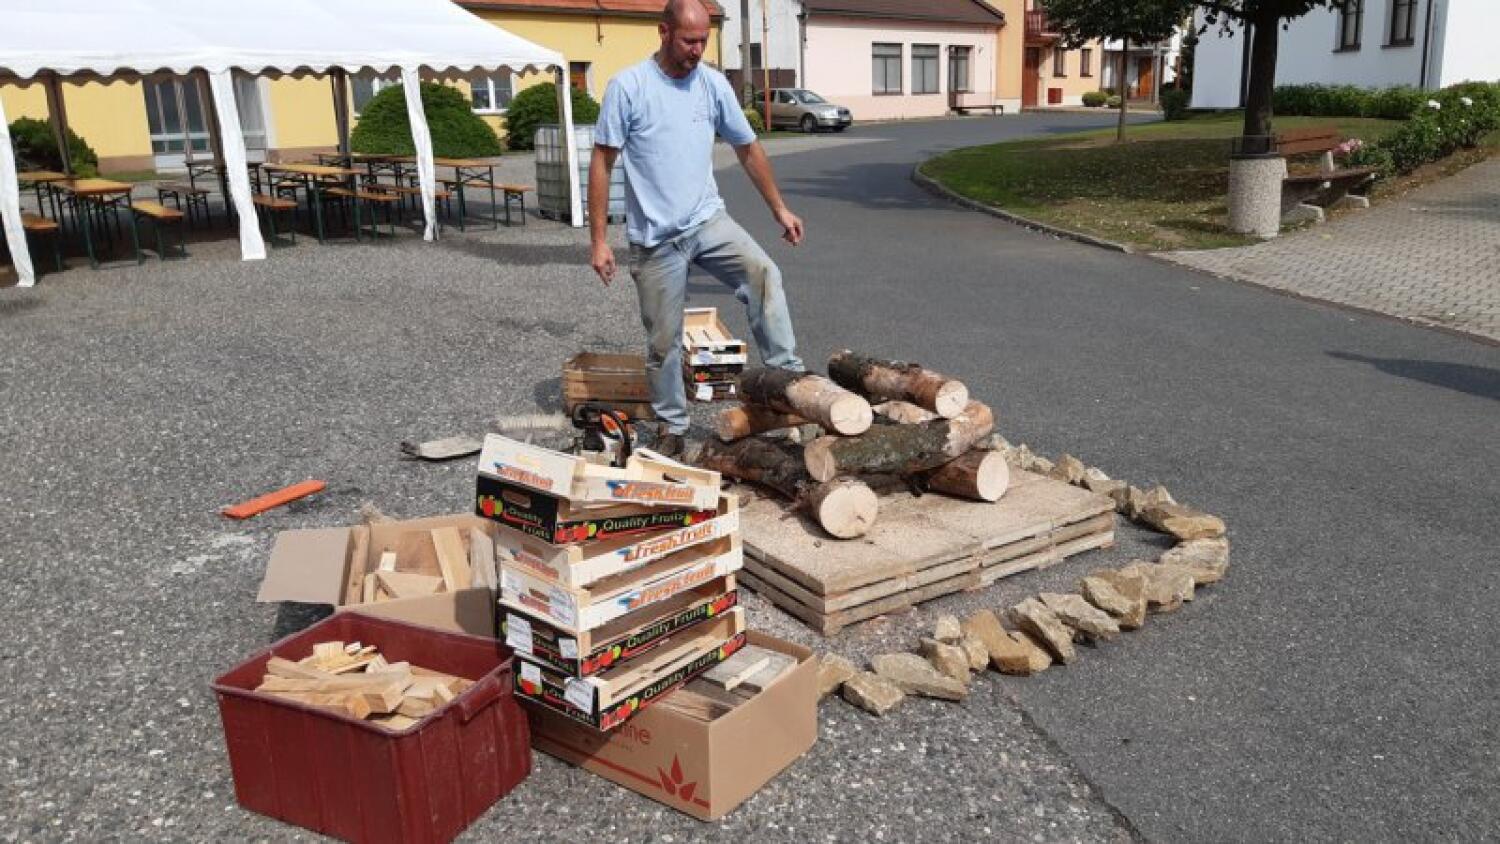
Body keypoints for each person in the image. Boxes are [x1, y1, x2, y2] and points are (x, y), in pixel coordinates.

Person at [589, 0, 805, 457]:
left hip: (708, 220)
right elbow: (602, 163)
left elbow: (748, 148)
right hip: (655, 240)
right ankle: (672, 426)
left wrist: (779, 209)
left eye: (704, 40)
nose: (697, 50)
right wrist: (599, 241)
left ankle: (788, 385)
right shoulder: (629, 87)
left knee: (764, 274)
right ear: (663, 32)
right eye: (689, 40)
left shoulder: (712, 84)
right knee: (663, 342)